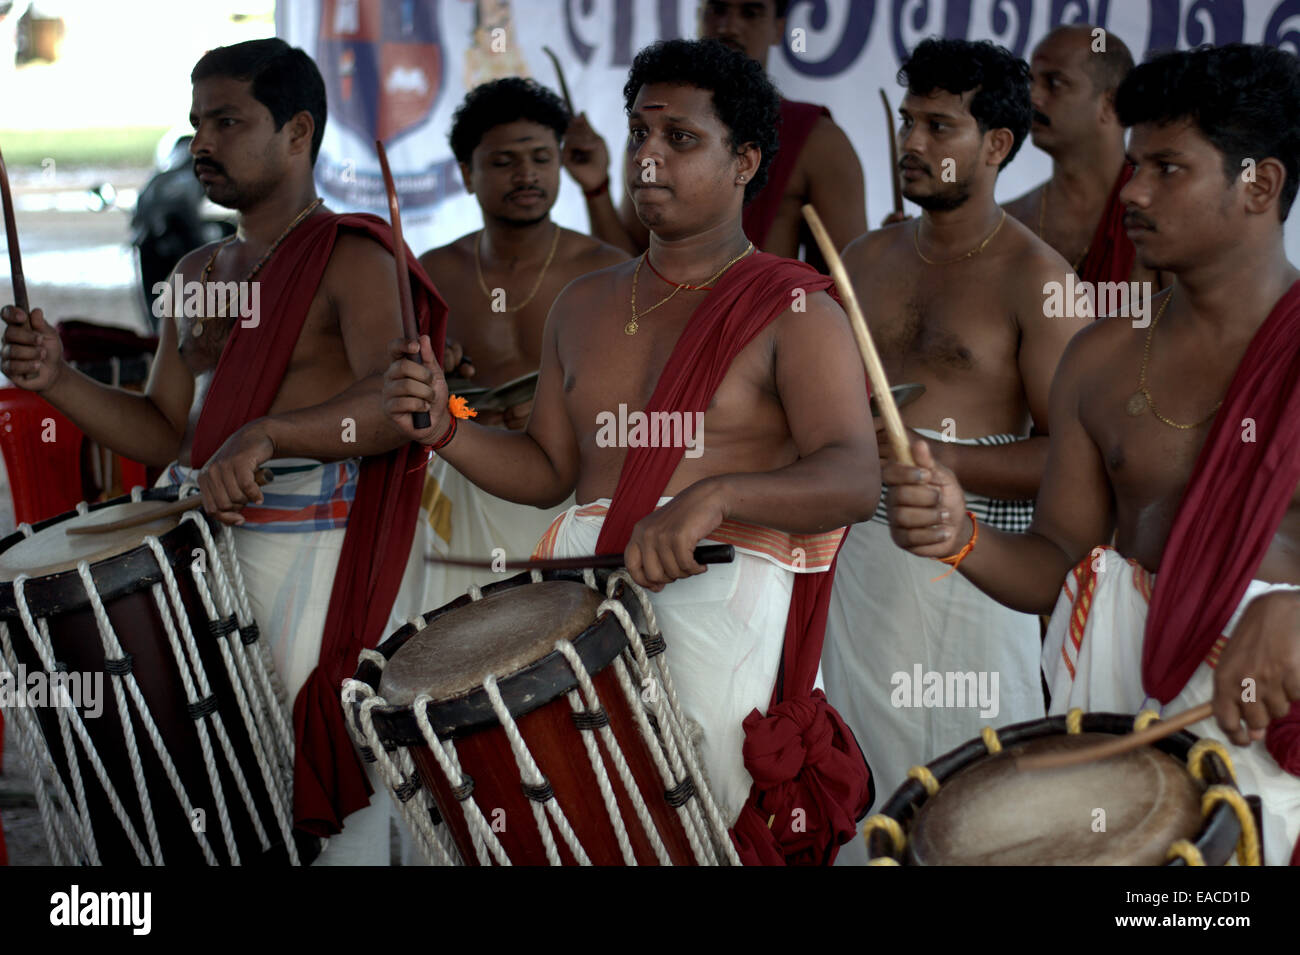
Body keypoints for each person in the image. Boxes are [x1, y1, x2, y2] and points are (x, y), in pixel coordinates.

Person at [384, 38, 877, 865]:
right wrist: (447, 427)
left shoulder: (793, 309)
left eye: (679, 139)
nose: (648, 156)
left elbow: (854, 477)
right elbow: (549, 473)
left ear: (744, 161)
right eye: (639, 133)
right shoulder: (581, 303)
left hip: (718, 597)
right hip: (581, 605)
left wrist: (715, 496)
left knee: (693, 838)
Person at [0, 38, 450, 864]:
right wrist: (57, 379)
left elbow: (396, 410)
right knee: (222, 792)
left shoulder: (354, 256)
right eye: (197, 123)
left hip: (320, 555)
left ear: (297, 132)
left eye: (228, 122)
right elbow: (164, 430)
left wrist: (270, 431)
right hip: (201, 558)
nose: (203, 143)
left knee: (321, 799)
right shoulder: (198, 270)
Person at [883, 44, 1300, 866]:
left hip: (1268, 750)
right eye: (1134, 164)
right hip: (1119, 742)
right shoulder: (1102, 357)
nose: (1132, 192)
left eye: (1167, 169)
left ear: (1259, 183)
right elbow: (1058, 563)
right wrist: (960, 535)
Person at [821, 38, 1091, 863]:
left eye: (941, 126)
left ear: (997, 145)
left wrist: (947, 461)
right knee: (857, 800)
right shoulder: (861, 259)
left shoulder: (1039, 279)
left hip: (980, 577)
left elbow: (1075, 459)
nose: (913, 143)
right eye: (909, 122)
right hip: (856, 574)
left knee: (972, 816)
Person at [390, 78, 627, 636]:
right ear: (467, 175)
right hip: (468, 473)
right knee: (461, 644)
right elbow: (419, 398)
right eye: (503, 161)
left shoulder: (607, 268)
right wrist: (461, 407)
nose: (526, 175)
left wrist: (564, 419)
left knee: (571, 651)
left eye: (541, 157)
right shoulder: (435, 271)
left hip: (572, 489)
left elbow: (644, 396)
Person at [562, 1, 866, 266]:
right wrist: (596, 189)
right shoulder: (654, 132)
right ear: (699, 16)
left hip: (767, 327)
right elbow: (630, 270)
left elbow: (846, 284)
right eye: (717, 8)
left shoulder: (816, 138)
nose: (729, 26)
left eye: (751, 12)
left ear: (779, 28)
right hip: (660, 327)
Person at [1004, 24, 1164, 290]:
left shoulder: (1158, 218)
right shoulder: (1009, 220)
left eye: (1054, 83)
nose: (1032, 98)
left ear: (1110, 104)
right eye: (1031, 82)